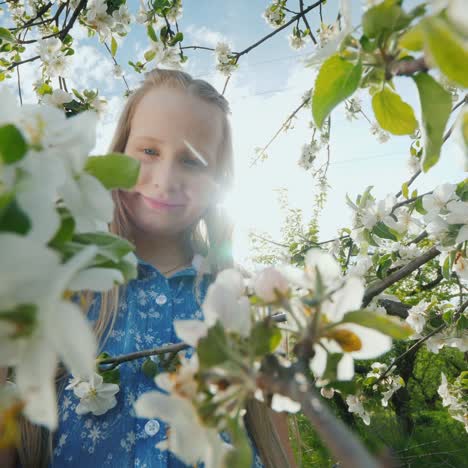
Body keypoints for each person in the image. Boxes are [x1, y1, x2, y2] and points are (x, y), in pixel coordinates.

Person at [4, 69, 296, 468]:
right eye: (149, 151)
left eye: (193, 161)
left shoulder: (244, 300)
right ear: (118, 153)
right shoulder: (58, 280)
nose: (165, 179)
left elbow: (275, 446)